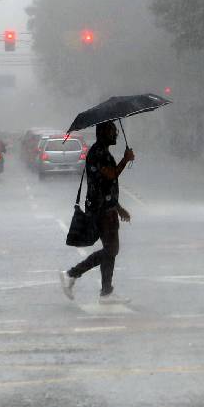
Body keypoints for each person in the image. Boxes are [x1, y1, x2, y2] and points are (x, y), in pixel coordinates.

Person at [60, 121, 134, 303]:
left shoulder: (102, 151)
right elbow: (110, 175)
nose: (116, 134)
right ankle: (72, 274)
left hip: (106, 207)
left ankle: (106, 292)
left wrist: (118, 207)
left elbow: (106, 185)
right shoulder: (97, 153)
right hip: (101, 210)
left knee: (111, 249)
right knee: (111, 249)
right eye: (112, 131)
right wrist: (125, 159)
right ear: (103, 133)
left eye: (116, 131)